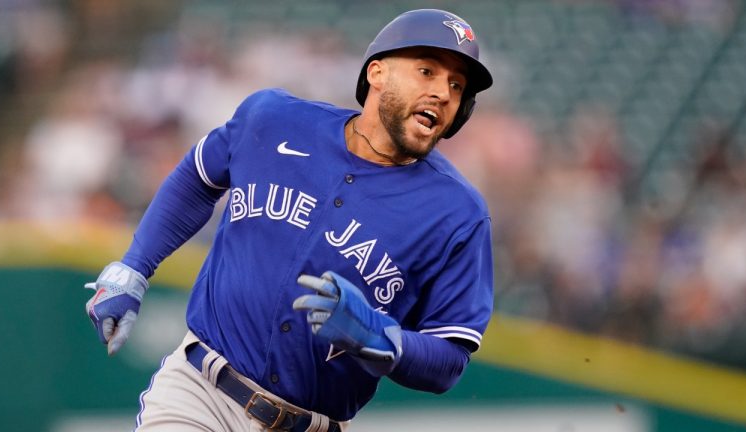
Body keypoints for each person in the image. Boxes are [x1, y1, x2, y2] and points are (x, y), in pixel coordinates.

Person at [84, 8, 494, 432]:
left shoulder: (458, 214)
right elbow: (199, 176)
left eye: (456, 85)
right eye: (427, 71)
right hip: (200, 393)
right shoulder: (275, 120)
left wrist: (383, 339)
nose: (443, 93)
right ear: (377, 73)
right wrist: (135, 266)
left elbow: (450, 359)